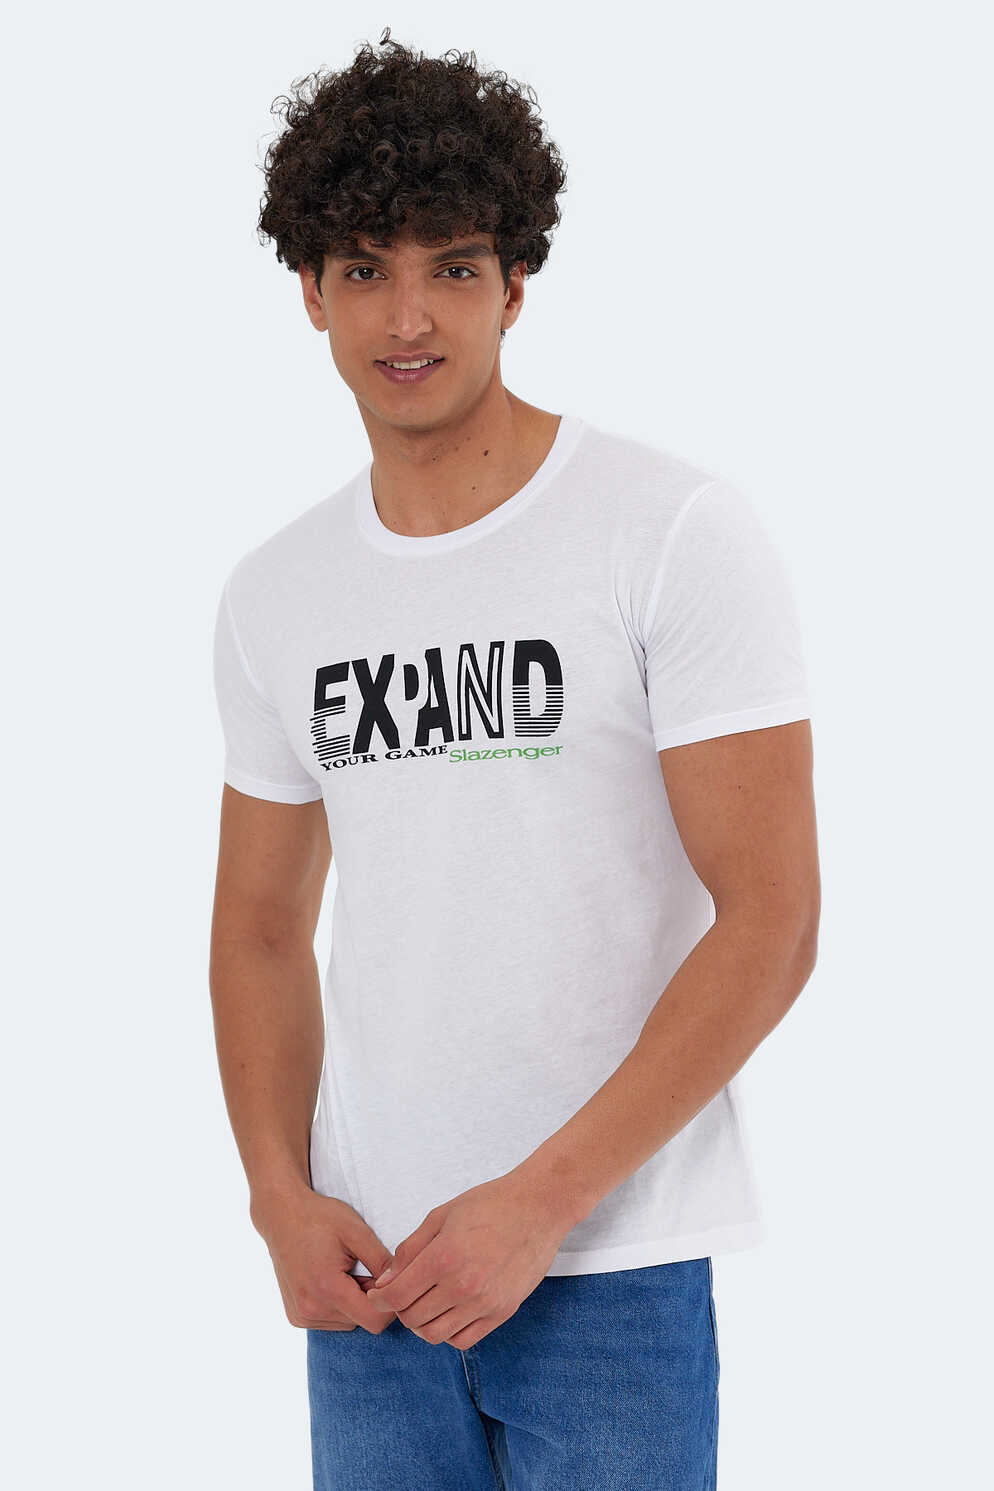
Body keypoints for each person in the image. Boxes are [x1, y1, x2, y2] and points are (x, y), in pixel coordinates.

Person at [209, 28, 820, 1491]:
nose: (409, 314)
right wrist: (279, 1195)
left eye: (455, 265)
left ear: (517, 282)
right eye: (365, 269)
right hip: (370, 1280)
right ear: (310, 291)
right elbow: (259, 928)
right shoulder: (277, 592)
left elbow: (772, 919)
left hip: (610, 1264)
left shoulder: (667, 530)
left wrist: (540, 1205)